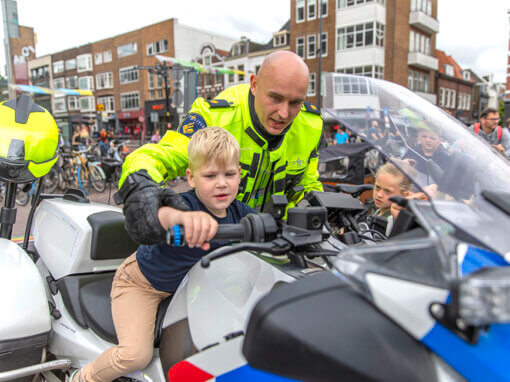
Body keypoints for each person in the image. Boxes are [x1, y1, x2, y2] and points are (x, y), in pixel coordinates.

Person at [71, 127, 256, 382]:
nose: (222, 183)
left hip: (187, 291)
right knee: (135, 355)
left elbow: (268, 228)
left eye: (230, 174)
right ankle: (83, 377)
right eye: (211, 175)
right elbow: (163, 215)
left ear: (239, 176)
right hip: (141, 284)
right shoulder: (185, 206)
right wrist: (181, 219)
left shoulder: (241, 212)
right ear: (191, 178)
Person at [113, 51, 323, 246]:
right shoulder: (214, 117)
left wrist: (320, 212)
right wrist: (140, 185)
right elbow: (163, 155)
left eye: (296, 103)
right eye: (275, 98)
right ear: (255, 84)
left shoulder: (311, 126)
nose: (284, 114)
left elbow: (306, 184)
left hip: (274, 244)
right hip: (214, 243)